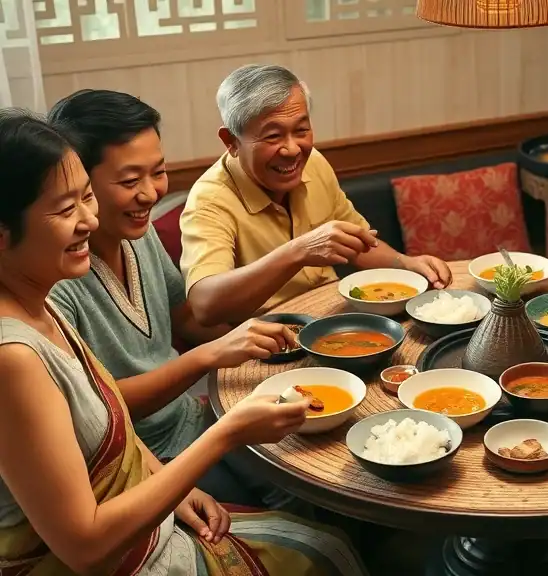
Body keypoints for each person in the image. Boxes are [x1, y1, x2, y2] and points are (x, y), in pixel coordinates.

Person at [0, 109, 368, 575]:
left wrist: (172, 486)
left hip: (154, 495)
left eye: (86, 200)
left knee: (326, 536)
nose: (89, 222)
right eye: (65, 209)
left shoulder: (39, 300)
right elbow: (84, 548)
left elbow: (175, 336)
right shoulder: (15, 357)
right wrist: (225, 432)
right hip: (117, 558)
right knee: (322, 549)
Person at [46, 89, 309, 512]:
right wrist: (208, 356)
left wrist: (262, 342)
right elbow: (95, 410)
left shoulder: (138, 233)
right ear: (77, 182)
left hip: (190, 417)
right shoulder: (55, 282)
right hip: (137, 458)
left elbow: (183, 318)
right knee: (293, 505)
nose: (150, 194)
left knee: (305, 467)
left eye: (159, 172)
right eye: (130, 181)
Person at [179, 64, 452, 325]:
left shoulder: (314, 162)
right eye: (273, 136)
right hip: (269, 344)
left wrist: (406, 264)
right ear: (231, 142)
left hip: (333, 319)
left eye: (301, 130)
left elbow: (359, 240)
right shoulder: (209, 201)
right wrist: (298, 252)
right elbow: (205, 305)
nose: (292, 150)